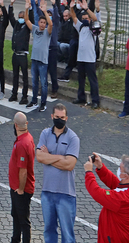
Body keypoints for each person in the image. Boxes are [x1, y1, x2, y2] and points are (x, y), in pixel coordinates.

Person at [36, 104, 79, 243]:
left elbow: (70, 165)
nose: (59, 120)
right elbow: (39, 157)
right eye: (57, 117)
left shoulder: (73, 138)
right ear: (52, 117)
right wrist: (61, 157)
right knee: (49, 231)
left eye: (62, 117)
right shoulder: (45, 134)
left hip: (66, 194)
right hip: (47, 192)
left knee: (67, 235)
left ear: (66, 118)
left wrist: (49, 156)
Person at [83, 152, 129, 243]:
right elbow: (115, 183)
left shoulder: (123, 198)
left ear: (125, 176)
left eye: (120, 168)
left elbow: (97, 193)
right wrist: (101, 167)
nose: (118, 170)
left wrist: (88, 172)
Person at [69, 0, 101, 109]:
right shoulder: (81, 27)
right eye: (83, 18)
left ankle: (95, 100)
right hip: (81, 58)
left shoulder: (94, 29)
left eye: (87, 18)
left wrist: (87, 8)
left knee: (92, 80)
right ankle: (81, 97)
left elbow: (95, 18)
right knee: (81, 79)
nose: (85, 19)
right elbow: (73, 16)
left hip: (90, 59)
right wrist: (71, 7)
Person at [9, 112, 35, 243]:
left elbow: (23, 171)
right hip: (18, 188)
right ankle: (15, 239)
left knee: (23, 220)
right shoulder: (27, 138)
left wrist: (20, 189)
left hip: (21, 190)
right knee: (16, 215)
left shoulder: (22, 144)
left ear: (15, 125)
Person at [28, 0, 53, 112]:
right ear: (38, 23)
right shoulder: (35, 29)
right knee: (34, 82)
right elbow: (27, 20)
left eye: (44, 23)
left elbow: (51, 24)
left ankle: (43, 103)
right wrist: (26, 7)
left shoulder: (47, 32)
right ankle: (34, 101)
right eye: (41, 22)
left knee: (43, 84)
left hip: (43, 62)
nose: (42, 24)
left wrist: (45, 12)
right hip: (34, 60)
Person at [8, 0, 30, 105]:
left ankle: (25, 96)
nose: (20, 18)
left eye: (22, 17)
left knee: (24, 76)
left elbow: (30, 20)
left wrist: (28, 9)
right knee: (15, 75)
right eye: (19, 17)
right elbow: (10, 17)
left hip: (23, 54)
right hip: (15, 54)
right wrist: (11, 4)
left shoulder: (27, 26)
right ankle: (14, 94)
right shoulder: (16, 25)